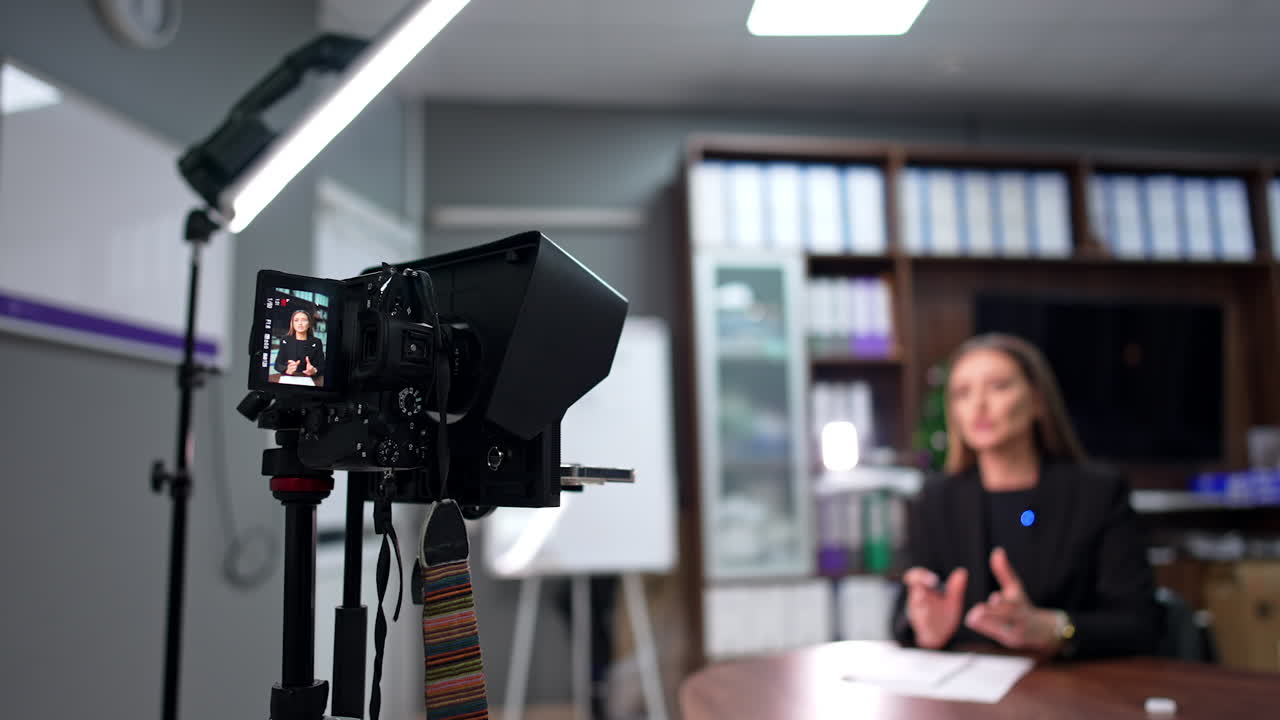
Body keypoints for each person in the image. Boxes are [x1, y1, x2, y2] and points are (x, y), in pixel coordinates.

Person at [892, 333, 1160, 659]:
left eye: (999, 386)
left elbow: (1139, 624)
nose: (978, 405)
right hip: (965, 691)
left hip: (1070, 689)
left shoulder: (1097, 493)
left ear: (1037, 400)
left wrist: (1055, 628)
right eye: (963, 393)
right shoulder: (936, 499)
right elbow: (901, 616)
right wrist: (926, 628)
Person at [274, 308, 325, 384]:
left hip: (310, 380)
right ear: (292, 324)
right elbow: (277, 364)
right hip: (289, 379)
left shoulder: (316, 342)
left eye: (304, 320)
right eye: (296, 320)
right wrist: (286, 369)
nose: (300, 323)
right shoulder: (285, 340)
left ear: (309, 324)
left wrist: (314, 370)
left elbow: (322, 366)